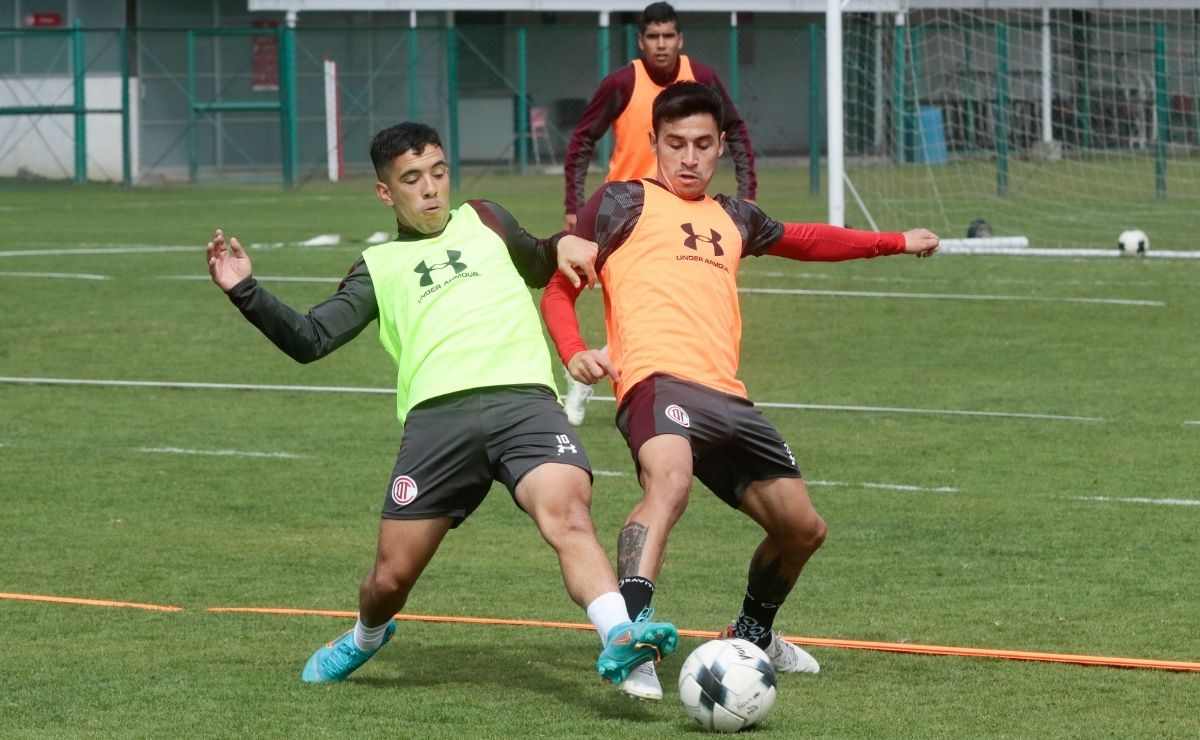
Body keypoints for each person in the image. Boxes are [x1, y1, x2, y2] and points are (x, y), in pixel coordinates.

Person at [205, 121, 677, 687]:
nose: (430, 188)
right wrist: (245, 291)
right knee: (389, 580)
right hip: (437, 423)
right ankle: (365, 636)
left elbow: (539, 258)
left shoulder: (487, 220)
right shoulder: (376, 270)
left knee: (569, 517)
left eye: (438, 172)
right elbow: (311, 339)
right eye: (412, 179)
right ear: (386, 193)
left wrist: (563, 244)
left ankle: (618, 636)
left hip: (524, 403)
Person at [540, 82, 939, 700]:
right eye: (675, 144)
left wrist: (891, 241)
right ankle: (632, 639)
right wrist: (574, 352)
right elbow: (560, 289)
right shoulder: (620, 203)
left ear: (720, 146)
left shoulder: (734, 215)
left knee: (803, 529)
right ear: (653, 144)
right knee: (668, 484)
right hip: (655, 381)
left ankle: (755, 634)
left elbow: (806, 239)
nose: (689, 158)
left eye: (703, 144)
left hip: (728, 397)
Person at [559, 0, 759, 427]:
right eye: (654, 37)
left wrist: (749, 193)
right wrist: (574, 209)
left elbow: (735, 129)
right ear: (641, 41)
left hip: (681, 216)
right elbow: (582, 140)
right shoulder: (621, 83)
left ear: (680, 40)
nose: (662, 45)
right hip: (625, 221)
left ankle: (648, 383)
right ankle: (593, 370)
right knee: (625, 306)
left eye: (669, 36)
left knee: (665, 307)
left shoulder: (701, 79)